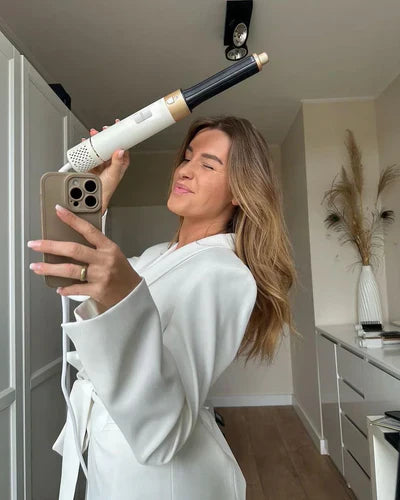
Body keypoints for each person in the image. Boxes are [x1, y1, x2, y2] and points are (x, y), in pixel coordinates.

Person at [28, 115, 298, 500]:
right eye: (186, 158)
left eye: (208, 165)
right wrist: (96, 201)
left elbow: (164, 431)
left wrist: (123, 295)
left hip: (161, 480)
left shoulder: (225, 273)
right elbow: (70, 273)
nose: (185, 170)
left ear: (240, 191)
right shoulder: (158, 255)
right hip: (114, 458)